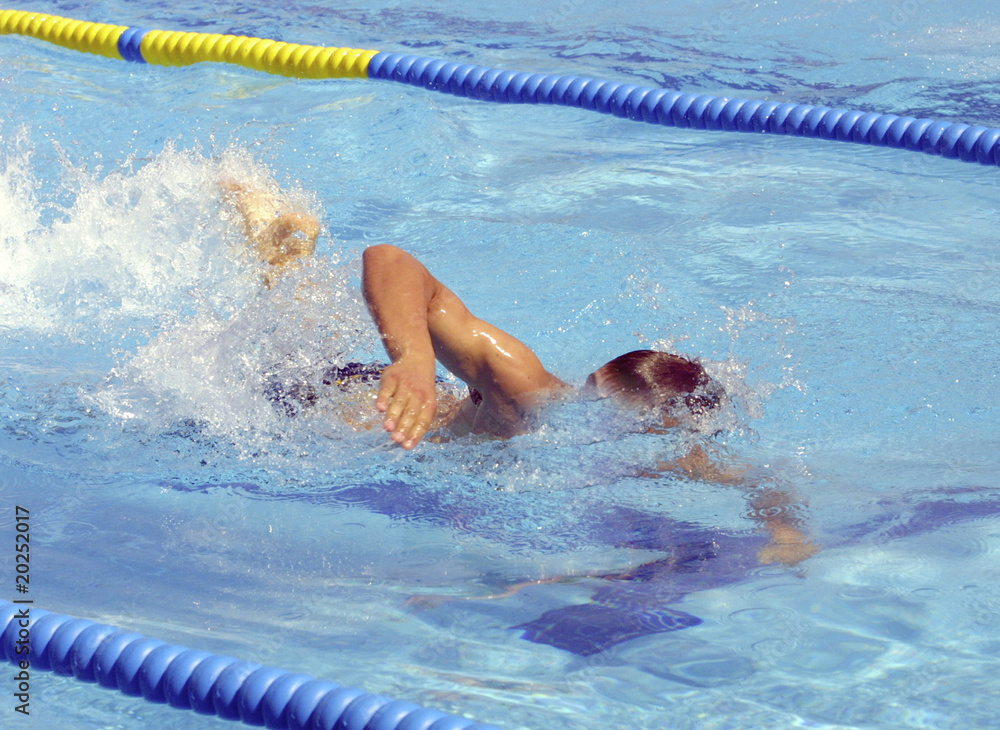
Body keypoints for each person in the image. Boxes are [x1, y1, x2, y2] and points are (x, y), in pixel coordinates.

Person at [221, 175, 817, 565]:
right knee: (272, 371)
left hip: (408, 430)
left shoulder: (663, 450)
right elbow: (388, 258)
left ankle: (286, 262)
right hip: (343, 410)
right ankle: (280, 259)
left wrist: (786, 532)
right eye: (591, 408)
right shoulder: (523, 388)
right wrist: (415, 358)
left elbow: (762, 480)